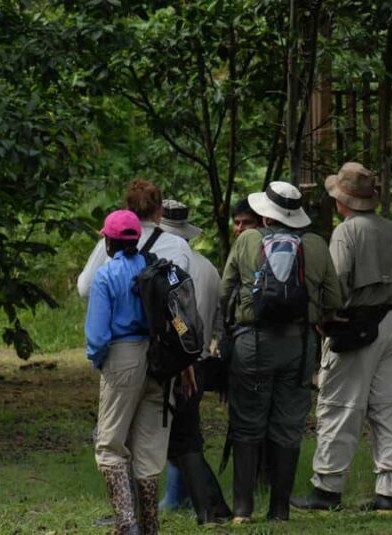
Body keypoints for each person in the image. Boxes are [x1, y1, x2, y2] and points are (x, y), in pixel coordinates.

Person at [291, 162, 392, 513]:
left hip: (357, 325)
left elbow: (335, 285)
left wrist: (326, 321)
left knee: (340, 406)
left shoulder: (346, 233)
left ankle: (327, 488)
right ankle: (387, 490)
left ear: (341, 200)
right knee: (388, 406)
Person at [220, 182, 342, 523]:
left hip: (253, 343)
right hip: (299, 344)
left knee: (247, 423)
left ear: (265, 214)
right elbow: (334, 299)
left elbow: (224, 288)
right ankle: (279, 510)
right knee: (288, 425)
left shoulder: (247, 240)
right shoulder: (316, 245)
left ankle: (243, 509)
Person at [86, 209, 168, 535]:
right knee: (147, 449)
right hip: (158, 358)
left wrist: (99, 361)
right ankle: (150, 525)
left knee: (110, 447)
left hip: (123, 356)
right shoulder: (153, 266)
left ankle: (126, 525)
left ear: (109, 241)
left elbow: (97, 337)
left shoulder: (106, 275)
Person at [156, 200, 232, 525]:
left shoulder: (165, 265)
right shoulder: (209, 268)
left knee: (181, 443)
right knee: (186, 437)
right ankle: (190, 501)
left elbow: (175, 320)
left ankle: (213, 506)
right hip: (200, 360)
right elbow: (217, 322)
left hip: (175, 361)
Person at [77, 179, 192, 298]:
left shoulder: (110, 243)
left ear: (127, 209)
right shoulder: (179, 245)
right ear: (159, 212)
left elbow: (85, 289)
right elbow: (185, 291)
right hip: (164, 316)